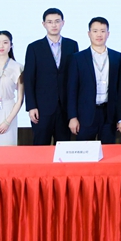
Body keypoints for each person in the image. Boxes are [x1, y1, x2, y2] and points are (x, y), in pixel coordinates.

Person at [23, 8, 79, 145]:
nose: (54, 25)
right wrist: (31, 106)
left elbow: (75, 77)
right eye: (50, 22)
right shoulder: (34, 47)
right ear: (44, 24)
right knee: (40, 147)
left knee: (64, 147)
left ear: (63, 23)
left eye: (57, 21)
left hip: (65, 107)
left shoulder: (72, 45)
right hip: (42, 108)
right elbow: (29, 79)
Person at [67, 17, 121, 143]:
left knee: (108, 151)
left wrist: (120, 117)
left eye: (103, 31)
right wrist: (72, 117)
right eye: (95, 31)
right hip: (85, 114)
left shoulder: (116, 56)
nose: (99, 35)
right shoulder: (78, 58)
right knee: (84, 151)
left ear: (108, 34)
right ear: (89, 33)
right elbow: (71, 90)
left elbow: (120, 89)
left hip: (109, 114)